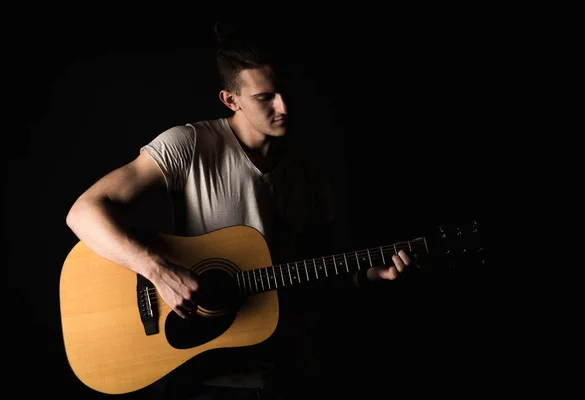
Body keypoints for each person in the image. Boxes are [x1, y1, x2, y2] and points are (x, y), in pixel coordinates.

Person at [65, 20, 416, 399]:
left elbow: (310, 273)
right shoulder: (189, 145)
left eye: (284, 92)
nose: (284, 107)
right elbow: (83, 212)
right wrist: (158, 271)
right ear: (231, 100)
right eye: (265, 98)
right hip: (205, 375)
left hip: (285, 370)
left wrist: (364, 276)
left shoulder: (309, 174)